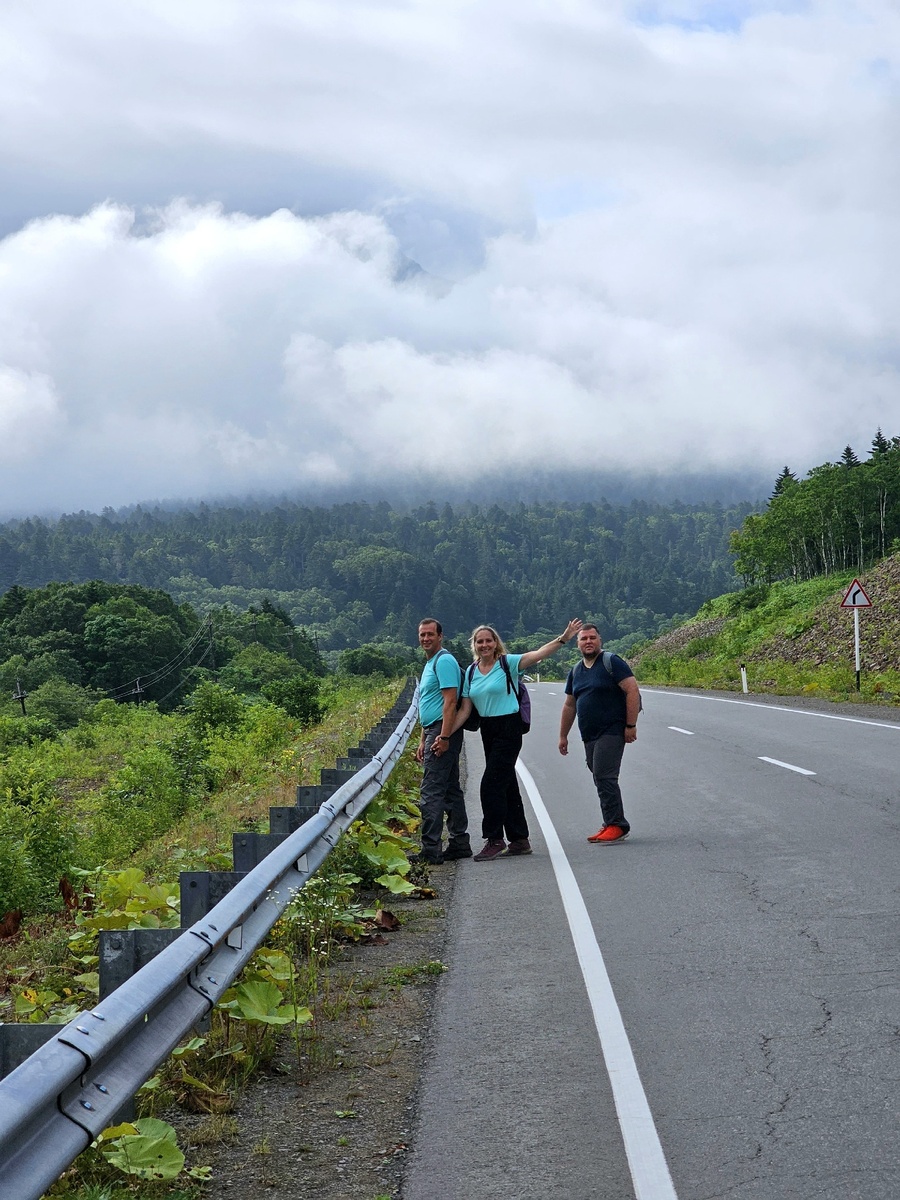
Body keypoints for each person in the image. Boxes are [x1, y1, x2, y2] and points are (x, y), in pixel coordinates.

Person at [445, 618, 583, 861]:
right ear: (474, 645)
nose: (485, 644)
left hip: (509, 727)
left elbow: (539, 653)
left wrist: (564, 638)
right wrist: (445, 735)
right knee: (506, 783)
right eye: (480, 641)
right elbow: (465, 710)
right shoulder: (470, 672)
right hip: (488, 728)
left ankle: (494, 838)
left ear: (496, 643)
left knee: (491, 783)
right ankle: (519, 839)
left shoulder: (508, 663)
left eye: (489, 640)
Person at [558, 624, 641, 843]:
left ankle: (617, 825)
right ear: (577, 643)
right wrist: (563, 735)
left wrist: (630, 725)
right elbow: (569, 705)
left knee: (604, 776)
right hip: (589, 734)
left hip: (612, 730)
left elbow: (632, 689)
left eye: (592, 638)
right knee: (599, 775)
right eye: (583, 638)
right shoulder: (576, 671)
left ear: (600, 640)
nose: (588, 642)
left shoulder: (611, 662)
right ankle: (610, 821)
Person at [413, 617, 470, 865]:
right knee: (449, 789)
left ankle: (430, 849)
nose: (426, 639)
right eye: (422, 635)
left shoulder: (444, 661)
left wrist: (443, 736)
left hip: (443, 730)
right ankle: (459, 842)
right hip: (434, 729)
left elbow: (450, 702)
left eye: (430, 634)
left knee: (431, 791)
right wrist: (423, 738)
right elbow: (431, 703)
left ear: (440, 636)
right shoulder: (431, 663)